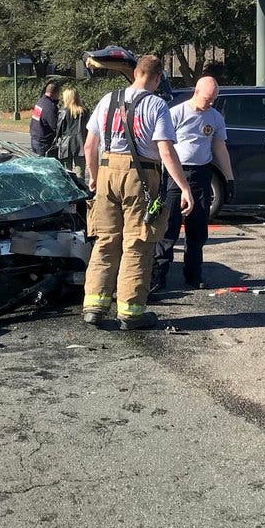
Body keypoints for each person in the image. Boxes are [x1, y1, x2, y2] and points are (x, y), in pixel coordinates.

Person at [83, 55, 194, 331]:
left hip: (107, 171)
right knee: (137, 244)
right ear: (157, 79)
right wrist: (184, 187)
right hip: (140, 176)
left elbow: (89, 145)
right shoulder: (157, 105)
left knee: (105, 240)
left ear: (135, 73)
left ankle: (94, 307)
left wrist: (95, 178)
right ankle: (131, 313)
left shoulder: (108, 99)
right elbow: (165, 150)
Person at [152, 77, 234, 292]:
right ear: (196, 92)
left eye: (214, 100)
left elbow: (220, 148)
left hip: (201, 174)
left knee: (197, 231)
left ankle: (193, 276)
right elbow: (163, 146)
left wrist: (229, 178)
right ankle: (159, 277)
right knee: (168, 228)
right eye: (208, 99)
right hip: (175, 175)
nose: (210, 103)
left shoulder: (215, 117)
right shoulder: (176, 113)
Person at [54, 86, 89, 178]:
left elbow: (58, 130)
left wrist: (56, 141)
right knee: (80, 172)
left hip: (66, 143)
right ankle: (81, 189)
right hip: (81, 142)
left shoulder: (63, 111)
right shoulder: (84, 111)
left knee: (66, 172)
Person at [30, 80, 61, 156]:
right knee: (45, 166)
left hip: (35, 138)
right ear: (55, 93)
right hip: (44, 142)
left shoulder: (40, 102)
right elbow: (55, 126)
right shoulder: (50, 107)